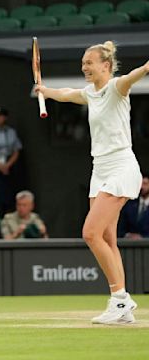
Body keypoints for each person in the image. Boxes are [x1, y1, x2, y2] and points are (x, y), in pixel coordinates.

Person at [35, 41, 148, 324]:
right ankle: (121, 305)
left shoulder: (116, 88)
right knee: (107, 237)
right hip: (100, 170)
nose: (84, 67)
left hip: (121, 167)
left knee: (90, 233)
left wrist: (147, 67)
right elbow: (66, 93)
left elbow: (135, 75)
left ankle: (120, 300)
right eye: (83, 62)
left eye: (89, 62)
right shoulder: (90, 93)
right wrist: (45, 91)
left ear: (105, 66)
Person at [118, 173, 149, 239]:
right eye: (140, 184)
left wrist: (143, 237)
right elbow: (121, 229)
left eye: (145, 184)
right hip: (131, 246)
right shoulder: (129, 205)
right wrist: (128, 235)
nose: (141, 187)